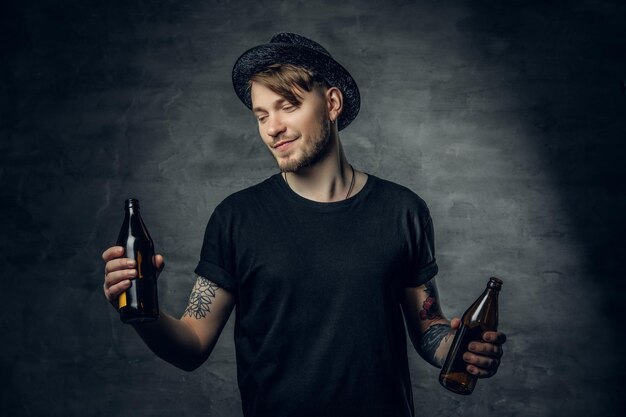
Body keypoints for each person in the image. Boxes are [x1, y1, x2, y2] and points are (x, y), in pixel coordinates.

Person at [102, 32, 506, 417]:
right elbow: (192, 346)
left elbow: (429, 327)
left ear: (332, 103)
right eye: (261, 115)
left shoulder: (402, 210)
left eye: (288, 106)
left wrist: (460, 349)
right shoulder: (237, 217)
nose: (272, 128)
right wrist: (143, 311)